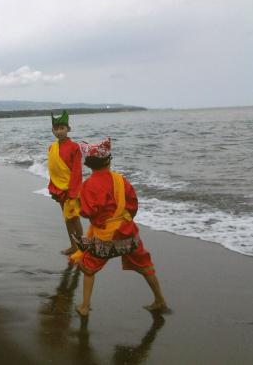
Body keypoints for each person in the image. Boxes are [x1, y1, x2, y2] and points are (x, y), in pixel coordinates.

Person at [69, 138, 167, 316]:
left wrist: (77, 204)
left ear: (89, 164)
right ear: (108, 160)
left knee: (89, 267)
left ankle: (84, 307)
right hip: (128, 233)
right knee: (145, 265)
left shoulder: (89, 185)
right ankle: (159, 299)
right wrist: (124, 219)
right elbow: (133, 205)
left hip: (104, 237)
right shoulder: (121, 180)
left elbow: (87, 212)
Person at [48, 110, 84, 255]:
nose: (59, 131)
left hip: (71, 189)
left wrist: (73, 191)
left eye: (62, 128)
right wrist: (53, 186)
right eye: (56, 129)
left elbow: (77, 171)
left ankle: (82, 247)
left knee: (74, 218)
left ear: (68, 129)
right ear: (52, 131)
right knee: (67, 218)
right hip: (58, 188)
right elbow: (53, 168)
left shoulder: (75, 147)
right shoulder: (52, 147)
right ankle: (73, 245)